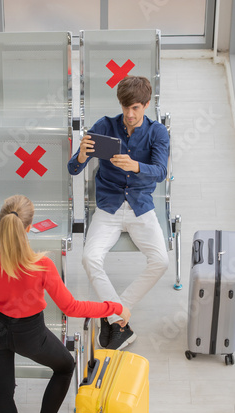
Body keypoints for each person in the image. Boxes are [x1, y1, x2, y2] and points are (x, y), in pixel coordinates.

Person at [0, 194, 130, 413]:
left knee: (3, 388)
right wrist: (114, 307)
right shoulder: (41, 265)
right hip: (30, 336)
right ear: (30, 228)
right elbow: (72, 308)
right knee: (65, 367)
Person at [68, 76, 169, 351]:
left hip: (140, 206)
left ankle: (116, 312)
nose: (130, 114)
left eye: (136, 107)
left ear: (146, 105)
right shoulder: (105, 126)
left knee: (161, 261)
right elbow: (73, 169)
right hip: (109, 206)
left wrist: (136, 166)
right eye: (126, 107)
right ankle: (117, 318)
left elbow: (160, 172)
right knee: (89, 258)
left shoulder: (157, 132)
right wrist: (80, 157)